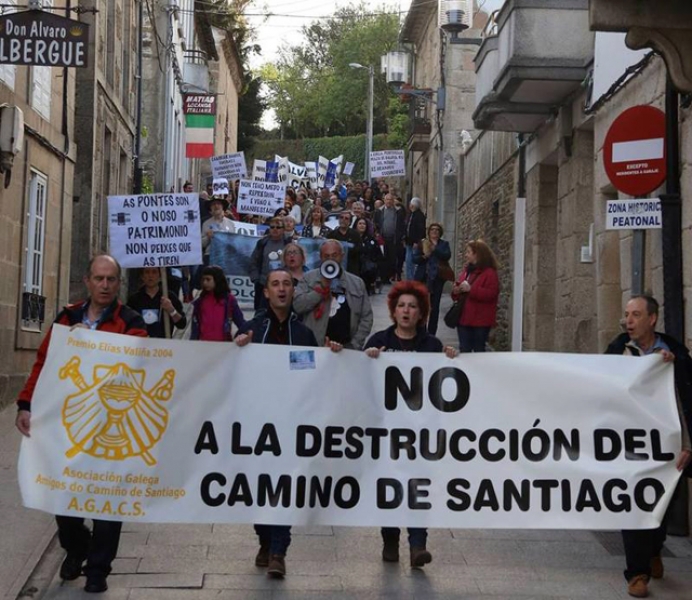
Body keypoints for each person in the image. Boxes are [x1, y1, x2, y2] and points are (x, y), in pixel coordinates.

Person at [15, 255, 147, 594]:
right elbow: (43, 362)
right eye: (99, 278)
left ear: (118, 284)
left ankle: (98, 569)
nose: (104, 285)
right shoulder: (67, 317)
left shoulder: (131, 321)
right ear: (87, 281)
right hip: (68, 426)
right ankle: (77, 546)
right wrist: (26, 404)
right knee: (64, 497)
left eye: (111, 280)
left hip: (112, 429)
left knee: (108, 498)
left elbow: (139, 364)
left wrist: (89, 348)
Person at [235, 269, 343, 578]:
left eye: (286, 284)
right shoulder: (254, 328)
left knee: (284, 487)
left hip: (292, 424)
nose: (281, 289)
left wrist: (330, 357)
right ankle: (265, 540)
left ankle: (279, 551)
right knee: (260, 489)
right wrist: (238, 346)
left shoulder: (304, 334)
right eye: (275, 284)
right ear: (266, 292)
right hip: (258, 424)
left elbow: (312, 374)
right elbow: (233, 370)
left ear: (292, 292)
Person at [364, 281, 456, 568]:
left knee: (417, 487)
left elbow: (443, 386)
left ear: (421, 314)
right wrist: (369, 361)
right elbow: (362, 384)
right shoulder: (378, 341)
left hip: (421, 431)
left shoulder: (432, 346)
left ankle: (418, 545)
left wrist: (452, 360)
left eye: (412, 306)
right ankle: (390, 538)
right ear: (393, 310)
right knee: (390, 485)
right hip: (387, 431)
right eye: (401, 305)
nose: (406, 311)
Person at [605, 295, 692, 598]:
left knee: (661, 508)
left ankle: (655, 549)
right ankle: (637, 573)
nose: (628, 321)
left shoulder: (675, 355)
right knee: (633, 505)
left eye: (636, 315)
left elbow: (685, 405)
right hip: (627, 446)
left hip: (667, 447)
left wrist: (687, 445)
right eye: (627, 314)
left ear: (652, 319)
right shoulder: (617, 352)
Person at [293, 240, 373, 348]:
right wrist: (321, 289)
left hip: (346, 349)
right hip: (315, 346)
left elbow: (366, 317)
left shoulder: (357, 283)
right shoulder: (308, 279)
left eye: (335, 255)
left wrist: (355, 344)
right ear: (320, 257)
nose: (331, 260)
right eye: (326, 256)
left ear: (342, 256)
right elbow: (298, 306)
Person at [451, 240, 499, 352]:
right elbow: (460, 292)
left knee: (478, 351)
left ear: (477, 254)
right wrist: (456, 291)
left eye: (468, 252)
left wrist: (471, 290)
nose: (466, 255)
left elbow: (491, 294)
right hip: (464, 319)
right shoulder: (467, 271)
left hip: (480, 321)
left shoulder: (490, 273)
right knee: (464, 350)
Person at [413, 223, 451, 335]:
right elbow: (414, 259)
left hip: (437, 279)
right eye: (432, 230)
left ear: (440, 233)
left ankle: (431, 334)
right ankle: (421, 331)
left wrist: (435, 250)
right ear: (429, 232)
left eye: (437, 230)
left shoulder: (444, 244)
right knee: (422, 305)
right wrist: (424, 256)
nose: (434, 232)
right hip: (423, 278)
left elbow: (447, 255)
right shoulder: (423, 243)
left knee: (434, 307)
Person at [127, 267, 186, 338]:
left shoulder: (169, 296)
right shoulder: (134, 299)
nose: (150, 275)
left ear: (160, 276)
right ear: (142, 276)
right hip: (140, 344)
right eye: (147, 272)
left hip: (163, 345)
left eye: (154, 272)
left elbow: (182, 324)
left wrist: (171, 310)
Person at [190, 265, 245, 341]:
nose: (205, 282)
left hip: (223, 344)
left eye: (208, 279)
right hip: (203, 344)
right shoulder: (200, 301)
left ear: (217, 280)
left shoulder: (229, 300)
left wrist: (247, 334)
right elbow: (195, 325)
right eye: (203, 280)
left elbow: (240, 322)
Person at [249, 217, 290, 311]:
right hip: (263, 284)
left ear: (283, 229)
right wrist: (256, 280)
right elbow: (253, 262)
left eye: (278, 227)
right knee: (260, 313)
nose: (275, 229)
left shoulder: (288, 243)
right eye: (272, 227)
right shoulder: (262, 243)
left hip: (282, 286)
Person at [373, 193, 405, 284]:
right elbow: (375, 223)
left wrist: (401, 236)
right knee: (383, 258)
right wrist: (377, 233)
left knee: (392, 258)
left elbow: (402, 224)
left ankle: (391, 274)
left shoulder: (398, 211)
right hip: (382, 238)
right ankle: (384, 278)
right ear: (384, 200)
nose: (389, 201)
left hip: (394, 239)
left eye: (391, 200)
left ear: (393, 201)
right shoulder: (379, 211)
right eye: (387, 199)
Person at [327, 210, 361, 275]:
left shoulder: (355, 234)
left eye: (346, 218)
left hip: (351, 268)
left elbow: (359, 249)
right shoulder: (332, 234)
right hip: (335, 267)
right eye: (341, 217)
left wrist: (347, 248)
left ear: (350, 222)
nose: (343, 220)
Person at [202, 197, 236, 261]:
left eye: (218, 204)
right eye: (213, 204)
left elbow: (233, 243)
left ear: (222, 207)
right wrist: (208, 237)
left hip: (225, 257)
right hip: (210, 256)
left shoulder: (231, 223)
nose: (216, 206)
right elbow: (202, 244)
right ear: (210, 208)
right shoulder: (206, 224)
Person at [355, 217, 381, 295]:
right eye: (360, 224)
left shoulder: (371, 240)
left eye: (364, 224)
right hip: (355, 270)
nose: (362, 226)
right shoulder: (352, 238)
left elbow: (378, 255)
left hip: (367, 271)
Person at [404, 197, 426, 281]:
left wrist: (417, 241)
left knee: (412, 261)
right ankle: (409, 278)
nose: (410, 206)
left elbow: (420, 229)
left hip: (415, 243)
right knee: (408, 261)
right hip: (409, 242)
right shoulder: (411, 214)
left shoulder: (419, 216)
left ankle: (412, 278)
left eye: (411, 204)